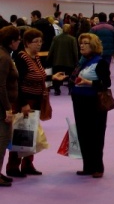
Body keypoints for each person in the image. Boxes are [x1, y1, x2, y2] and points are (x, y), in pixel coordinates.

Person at [7, 28, 64, 177]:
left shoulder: (36, 57)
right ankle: (13, 166)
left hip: (37, 100)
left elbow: (39, 77)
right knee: (20, 134)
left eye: (40, 41)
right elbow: (17, 83)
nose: (39, 44)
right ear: (26, 43)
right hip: (25, 101)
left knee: (31, 134)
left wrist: (53, 78)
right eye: (35, 42)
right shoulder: (21, 58)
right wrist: (23, 103)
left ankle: (27, 164)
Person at [68, 33, 111, 178]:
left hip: (94, 103)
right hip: (79, 101)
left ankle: (98, 166)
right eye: (81, 43)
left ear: (93, 46)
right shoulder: (81, 62)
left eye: (85, 43)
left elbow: (106, 83)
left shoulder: (100, 62)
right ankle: (88, 165)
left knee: (96, 135)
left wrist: (89, 83)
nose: (82, 45)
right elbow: (73, 79)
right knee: (83, 134)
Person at [0, 26, 20, 187]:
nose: (19, 42)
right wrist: (7, 107)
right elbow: (0, 85)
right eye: (18, 39)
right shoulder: (4, 57)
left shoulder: (4, 54)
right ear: (12, 41)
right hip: (1, 106)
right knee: (2, 139)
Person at [47, 23, 79, 95]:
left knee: (57, 76)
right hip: (69, 62)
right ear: (70, 29)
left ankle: (57, 90)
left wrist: (48, 59)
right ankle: (70, 90)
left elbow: (51, 50)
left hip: (57, 61)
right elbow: (75, 51)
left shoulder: (56, 38)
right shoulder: (72, 39)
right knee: (70, 76)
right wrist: (77, 61)